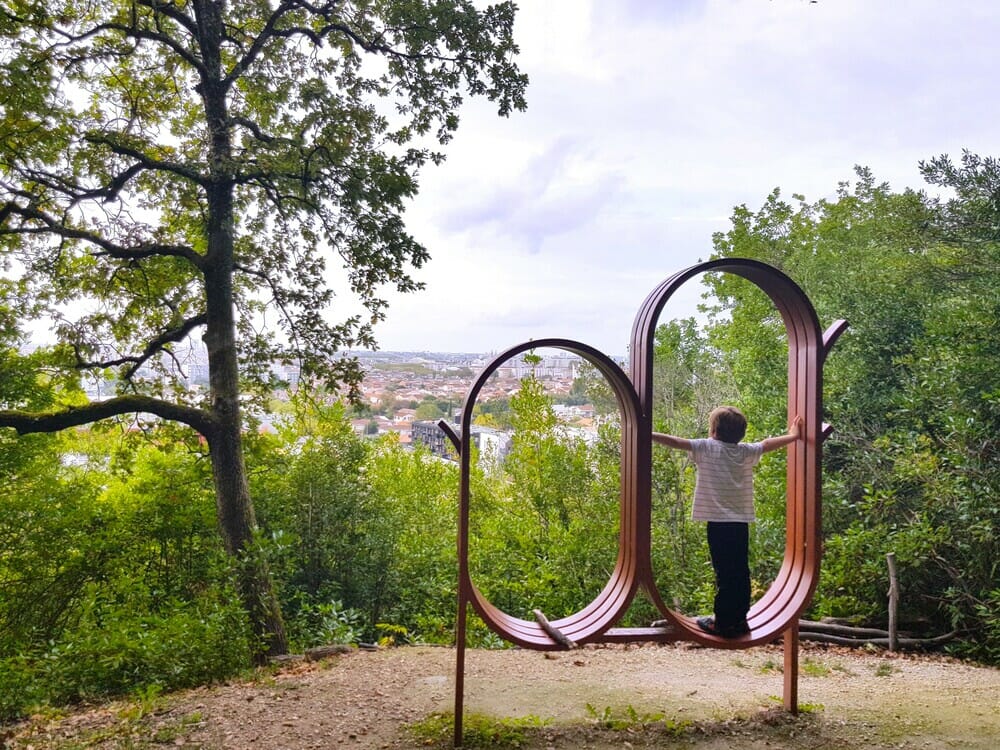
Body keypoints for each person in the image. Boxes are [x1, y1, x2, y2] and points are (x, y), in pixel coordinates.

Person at [653, 407, 803, 638]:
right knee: (739, 571)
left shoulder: (706, 447)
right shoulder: (745, 452)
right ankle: (739, 620)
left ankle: (722, 623)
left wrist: (648, 434)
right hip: (739, 522)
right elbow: (767, 444)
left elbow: (676, 442)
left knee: (724, 573)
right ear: (741, 434)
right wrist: (793, 436)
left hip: (718, 524)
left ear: (713, 431)